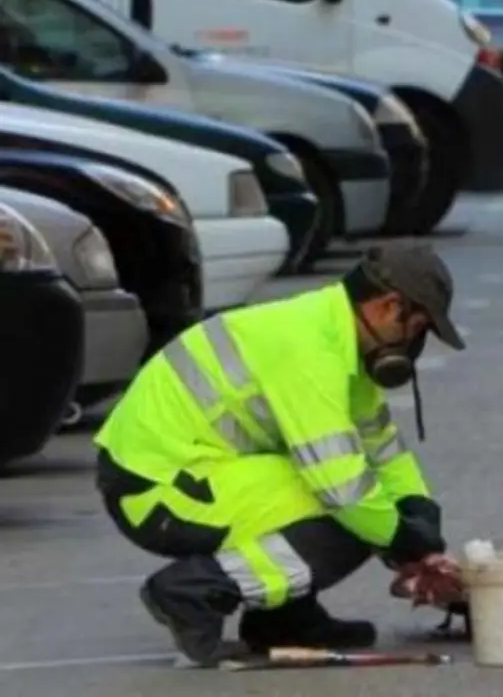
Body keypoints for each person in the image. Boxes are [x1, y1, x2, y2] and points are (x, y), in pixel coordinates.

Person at [94, 242, 468, 667]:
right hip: (156, 491)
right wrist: (403, 538)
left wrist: (419, 511)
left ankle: (284, 620)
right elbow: (343, 488)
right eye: (418, 328)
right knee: (350, 512)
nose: (415, 345)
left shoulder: (338, 339)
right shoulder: (310, 351)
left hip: (187, 473)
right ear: (388, 307)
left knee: (369, 506)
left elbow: (381, 449)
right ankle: (192, 591)